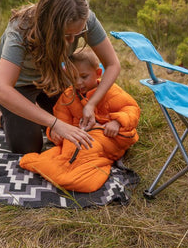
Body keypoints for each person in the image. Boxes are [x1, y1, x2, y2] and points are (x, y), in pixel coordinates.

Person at [0, 0, 121, 154]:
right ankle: (0, 116)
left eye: (78, 34)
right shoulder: (20, 30)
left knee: (79, 124)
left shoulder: (86, 19)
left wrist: (91, 103)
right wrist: (55, 123)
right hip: (18, 86)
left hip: (53, 78)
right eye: (66, 35)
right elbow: (0, 89)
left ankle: (32, 113)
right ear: (49, 25)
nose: (71, 41)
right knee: (29, 149)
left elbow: (113, 64)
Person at [19, 47, 140, 192]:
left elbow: (131, 109)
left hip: (107, 137)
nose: (78, 83)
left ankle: (73, 174)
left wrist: (117, 122)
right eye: (73, 78)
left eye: (84, 77)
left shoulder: (111, 91)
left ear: (98, 73)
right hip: (76, 138)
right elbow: (60, 120)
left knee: (85, 159)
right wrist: (55, 132)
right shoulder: (68, 96)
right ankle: (60, 170)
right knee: (59, 154)